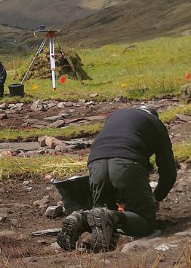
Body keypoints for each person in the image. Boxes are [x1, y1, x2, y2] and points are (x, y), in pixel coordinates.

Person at [58, 105, 177, 252]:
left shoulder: (116, 115)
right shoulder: (156, 124)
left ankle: (80, 218)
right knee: (145, 221)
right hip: (127, 162)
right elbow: (169, 172)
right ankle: (112, 216)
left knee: (99, 213)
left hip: (96, 162)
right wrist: (157, 197)